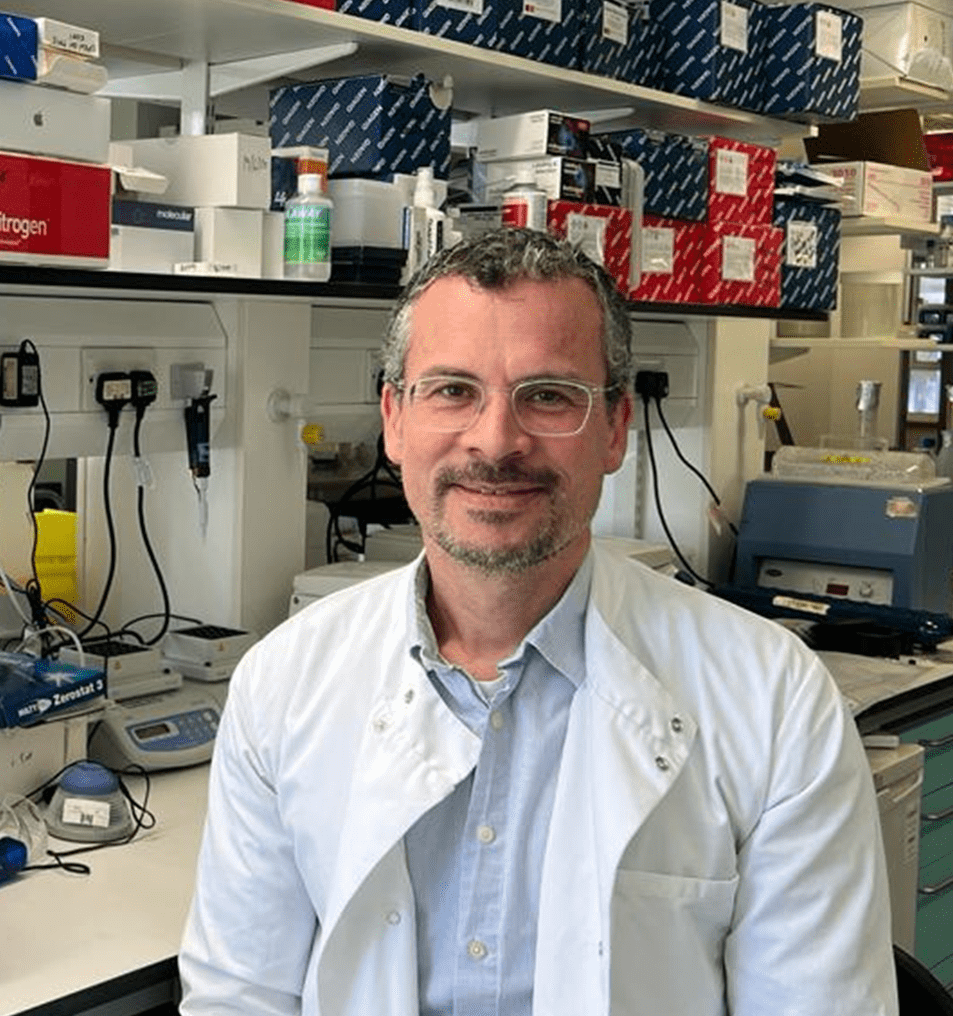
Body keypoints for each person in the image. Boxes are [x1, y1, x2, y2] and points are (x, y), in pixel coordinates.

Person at [178, 227, 896, 1015]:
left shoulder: (773, 698)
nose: (495, 441)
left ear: (615, 427)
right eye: (452, 390)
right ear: (393, 417)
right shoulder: (283, 683)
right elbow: (237, 997)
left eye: (548, 395)